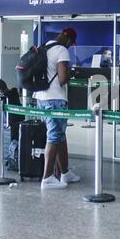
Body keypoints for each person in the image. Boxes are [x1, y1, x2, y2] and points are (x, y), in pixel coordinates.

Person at [33, 28, 81, 189]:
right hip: (55, 98)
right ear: (67, 39)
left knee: (59, 134)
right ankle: (47, 178)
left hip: (41, 97)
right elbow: (61, 79)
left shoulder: (44, 46)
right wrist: (70, 73)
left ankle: (65, 173)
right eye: (70, 43)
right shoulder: (61, 50)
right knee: (54, 136)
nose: (69, 46)